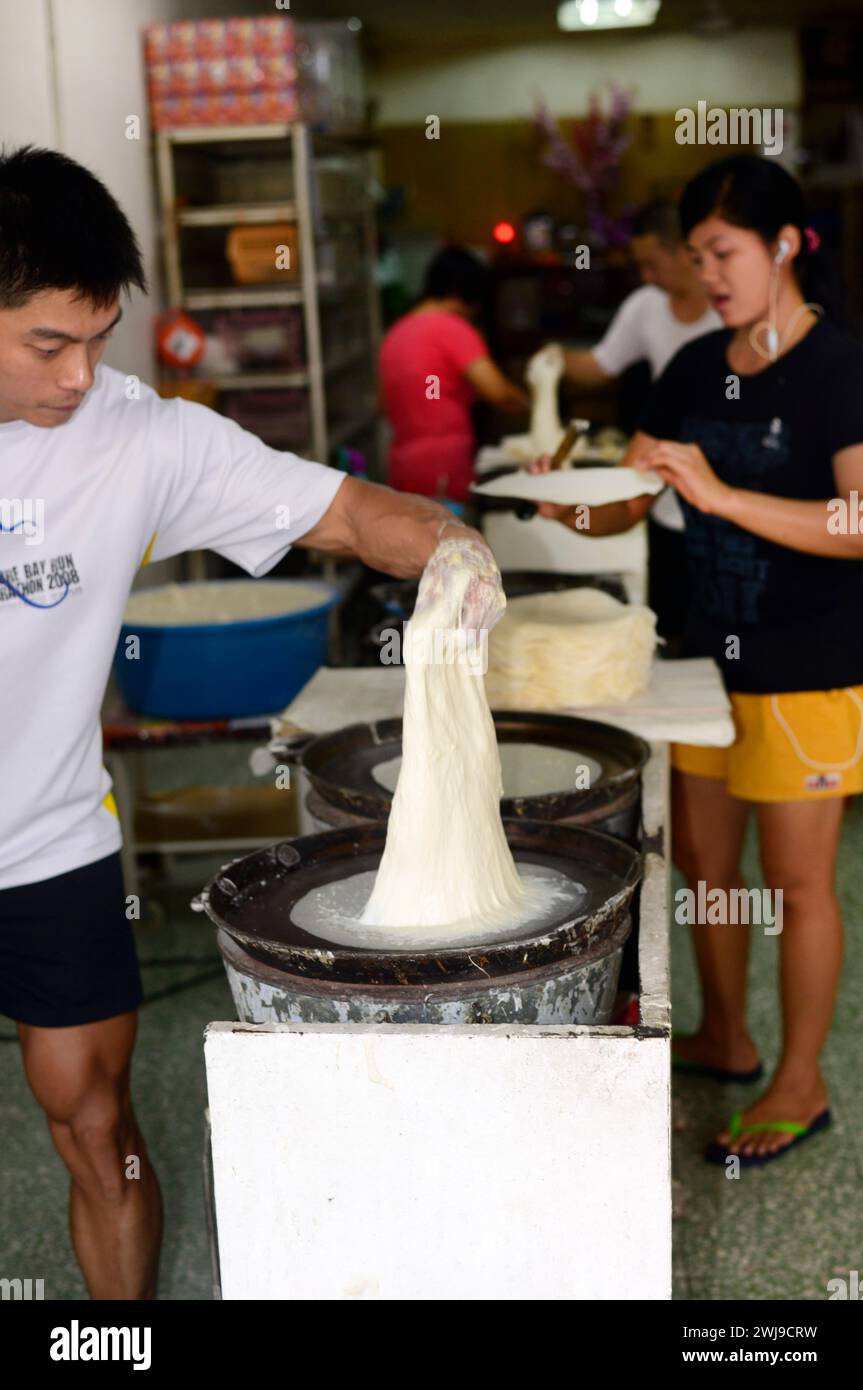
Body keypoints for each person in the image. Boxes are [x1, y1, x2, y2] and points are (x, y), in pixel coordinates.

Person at [0, 145, 499, 1298]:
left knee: (93, 1122)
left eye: (99, 337)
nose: (80, 375)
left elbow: (347, 513)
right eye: (45, 344)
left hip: (47, 842)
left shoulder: (140, 436)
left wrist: (457, 554)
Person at [531, 154, 863, 1166]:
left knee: (798, 884)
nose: (708, 275)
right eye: (696, 256)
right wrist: (561, 495)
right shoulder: (691, 366)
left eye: (723, 253)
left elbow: (860, 520)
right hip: (700, 665)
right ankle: (728, 1034)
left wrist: (720, 495)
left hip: (811, 664)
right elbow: (630, 501)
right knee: (709, 873)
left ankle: (800, 1083)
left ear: (786, 245)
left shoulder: (840, 368)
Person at [548, 201, 722, 645]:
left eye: (652, 263)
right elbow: (626, 504)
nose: (646, 276)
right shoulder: (673, 366)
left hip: (738, 541)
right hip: (670, 518)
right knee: (679, 648)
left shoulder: (754, 333)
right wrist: (567, 506)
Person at [378, 246, 528, 503]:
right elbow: (500, 393)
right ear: (465, 292)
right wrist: (532, 407)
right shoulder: (452, 328)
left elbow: (382, 405)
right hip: (443, 465)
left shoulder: (396, 333)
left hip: (402, 464)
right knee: (452, 540)